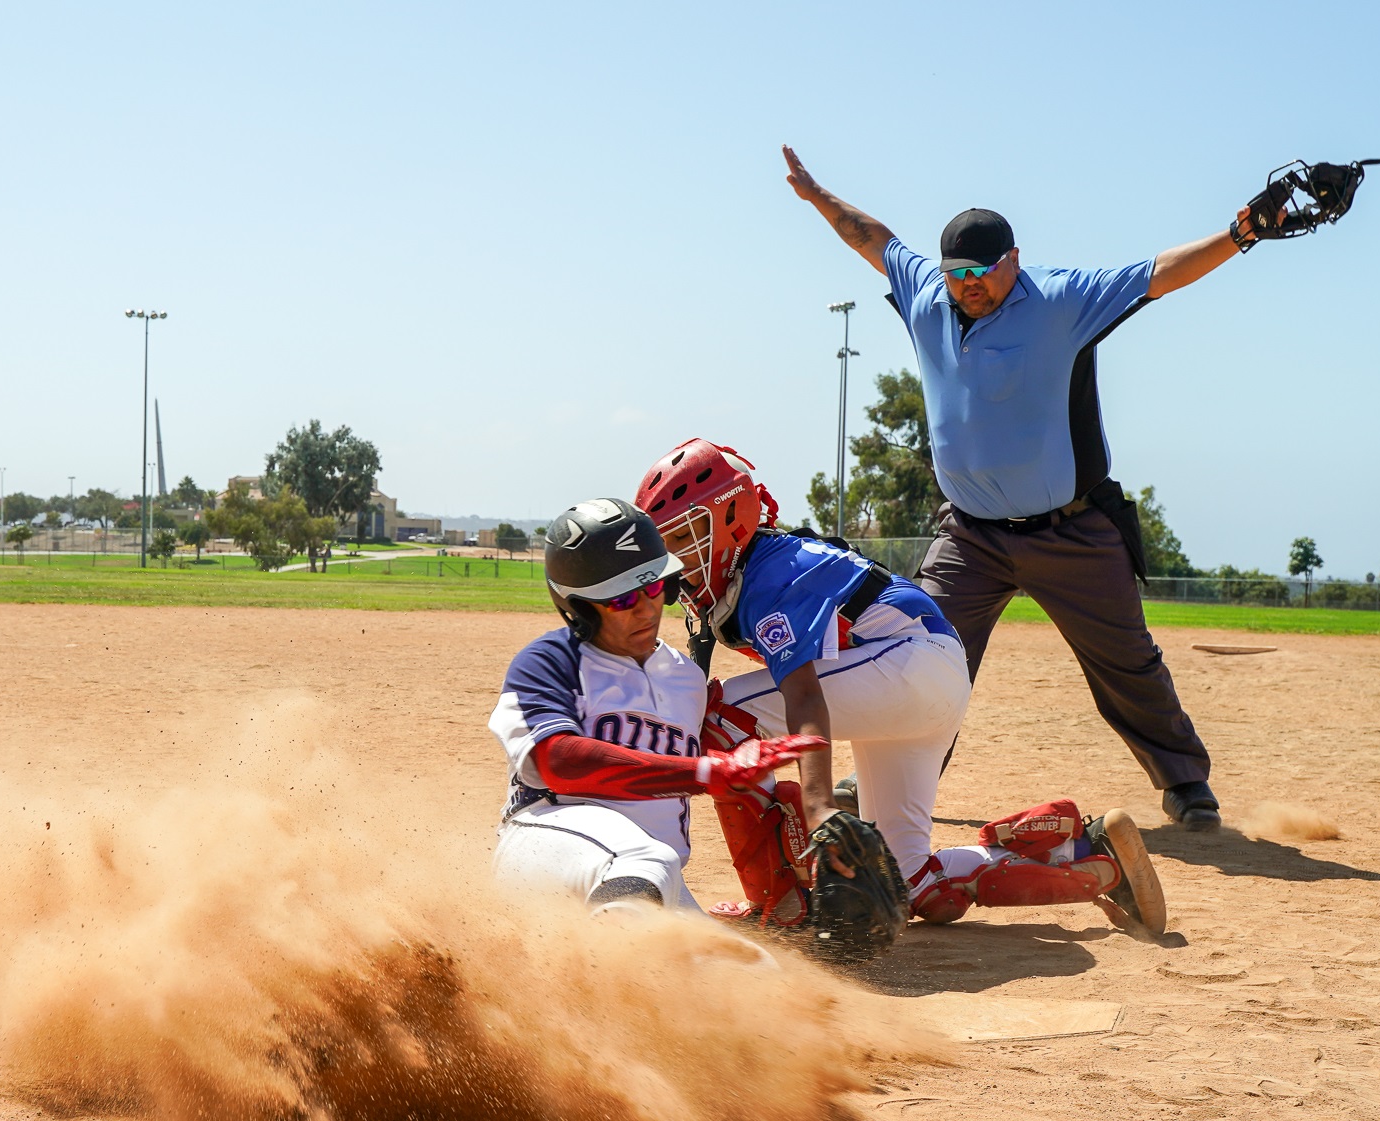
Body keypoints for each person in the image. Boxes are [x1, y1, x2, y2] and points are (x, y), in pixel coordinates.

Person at [781, 144, 1261, 832]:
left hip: (1071, 530)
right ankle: (888, 779)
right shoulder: (927, 294)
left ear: (1013, 258)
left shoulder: (1062, 300)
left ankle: (1184, 780)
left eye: (982, 270)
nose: (968, 283)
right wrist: (818, 196)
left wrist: (1240, 234)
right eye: (956, 273)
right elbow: (872, 237)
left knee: (1126, 661)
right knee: (920, 652)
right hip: (970, 533)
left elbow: (1158, 274)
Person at [636, 439, 1166, 932]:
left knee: (724, 721)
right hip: (917, 677)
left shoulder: (774, 572)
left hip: (908, 664)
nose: (676, 556)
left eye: (686, 536)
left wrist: (818, 804)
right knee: (911, 881)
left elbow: (803, 696)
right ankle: (1081, 853)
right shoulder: (738, 577)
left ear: (732, 517)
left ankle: (782, 902)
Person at [488, 497, 819, 917]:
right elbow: (557, 760)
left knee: (743, 969)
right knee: (648, 860)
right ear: (576, 606)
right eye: (622, 599)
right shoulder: (550, 660)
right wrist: (707, 772)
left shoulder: (687, 679)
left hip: (647, 881)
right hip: (548, 844)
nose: (646, 609)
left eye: (654, 587)